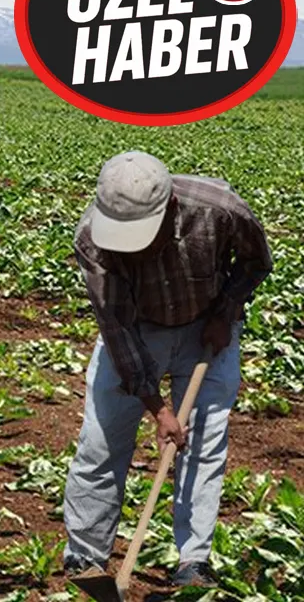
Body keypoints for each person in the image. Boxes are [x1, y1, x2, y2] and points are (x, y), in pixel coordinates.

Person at [62, 152, 272, 589]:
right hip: (137, 327)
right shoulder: (93, 238)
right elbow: (117, 330)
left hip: (207, 327)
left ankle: (193, 563)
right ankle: (85, 559)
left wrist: (227, 309)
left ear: (171, 208)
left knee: (203, 444)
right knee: (101, 442)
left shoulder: (219, 208)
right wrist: (157, 408)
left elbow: (255, 263)